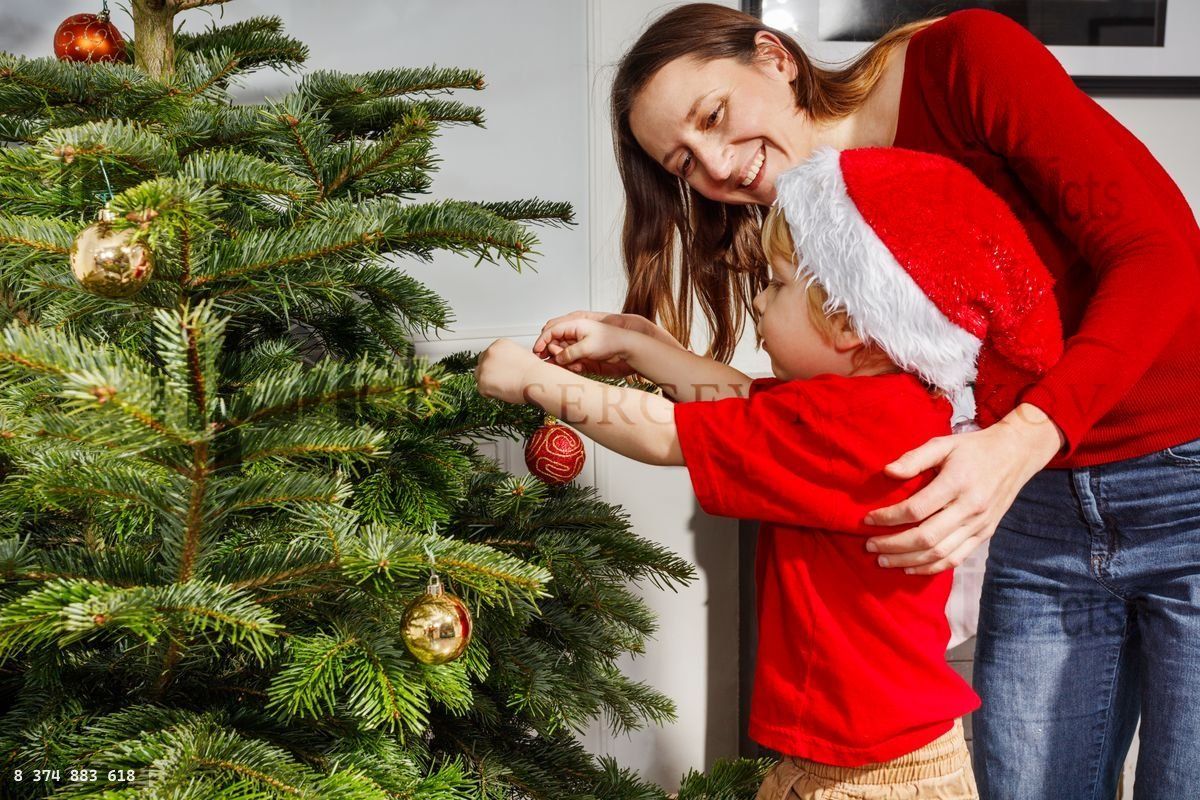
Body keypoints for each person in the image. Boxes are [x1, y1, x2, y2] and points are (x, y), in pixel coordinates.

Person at [535, 6, 1200, 797]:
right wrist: (657, 350)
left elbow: (1161, 252)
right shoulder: (806, 226)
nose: (717, 165)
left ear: (774, 56)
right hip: (1036, 504)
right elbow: (801, 418)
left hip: (1178, 480)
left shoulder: (963, 64)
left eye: (713, 115)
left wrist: (1026, 435)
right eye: (685, 164)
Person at [477, 145, 1063, 800]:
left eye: (778, 283)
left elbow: (670, 435)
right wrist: (642, 344)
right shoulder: (883, 405)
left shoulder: (847, 423)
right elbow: (738, 403)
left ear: (845, 322)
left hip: (871, 779)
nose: (759, 300)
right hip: (865, 759)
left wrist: (535, 383)